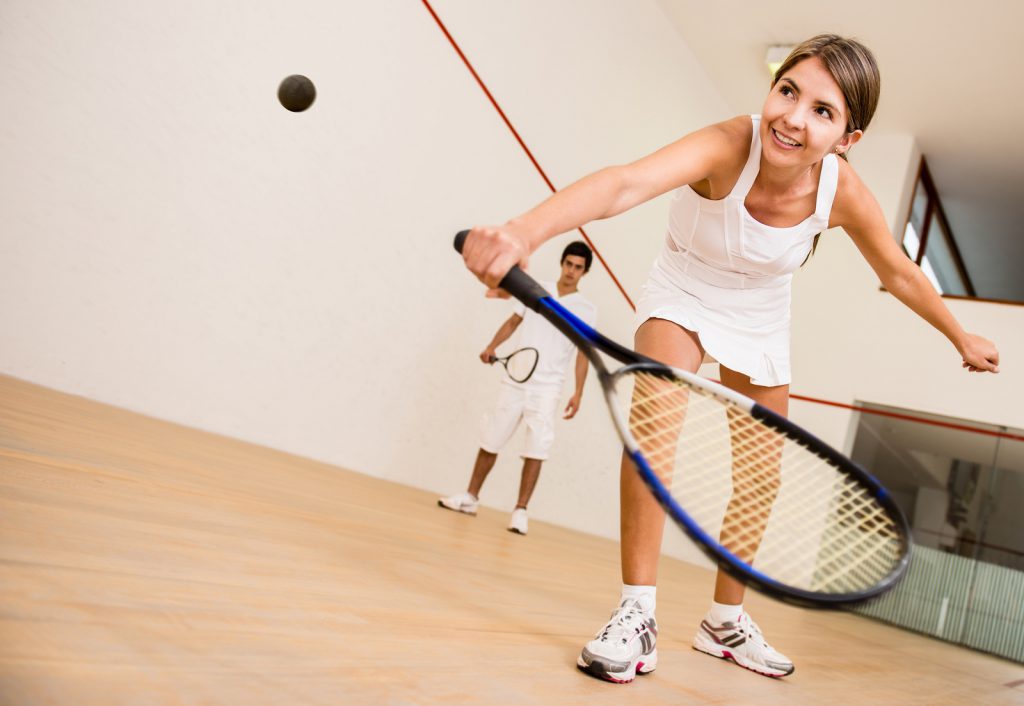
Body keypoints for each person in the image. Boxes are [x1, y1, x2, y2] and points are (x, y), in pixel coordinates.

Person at [457, 34, 999, 680]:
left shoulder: (841, 192)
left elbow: (901, 271)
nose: (794, 118)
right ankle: (638, 613)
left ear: (848, 138)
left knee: (760, 477)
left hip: (762, 312)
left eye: (823, 111)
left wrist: (958, 334)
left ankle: (724, 623)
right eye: (788, 91)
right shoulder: (727, 144)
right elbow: (625, 184)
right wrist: (523, 232)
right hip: (685, 287)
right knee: (654, 442)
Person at [438, 241, 597, 535]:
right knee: (491, 437)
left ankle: (521, 511)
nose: (571, 271)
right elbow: (512, 322)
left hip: (548, 389)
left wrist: (579, 392)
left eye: (578, 267)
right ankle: (470, 498)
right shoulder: (536, 290)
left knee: (536, 449)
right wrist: (491, 346)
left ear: (584, 272)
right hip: (516, 380)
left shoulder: (586, 310)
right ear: (562, 263)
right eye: (568, 264)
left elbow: (583, 353)